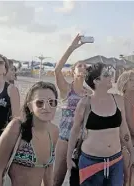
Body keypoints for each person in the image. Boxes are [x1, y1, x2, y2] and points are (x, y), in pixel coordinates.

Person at [67, 63, 134, 186]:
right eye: (106, 74)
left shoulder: (118, 100)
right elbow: (74, 131)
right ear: (96, 81)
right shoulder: (85, 103)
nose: (110, 76)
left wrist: (132, 153)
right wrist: (68, 157)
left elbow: (124, 129)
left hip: (116, 161)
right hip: (90, 162)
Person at [0, 81, 59, 186]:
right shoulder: (16, 128)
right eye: (40, 103)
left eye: (51, 102)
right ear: (30, 106)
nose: (46, 107)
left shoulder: (54, 131)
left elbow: (48, 173)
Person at [53, 34, 91, 186]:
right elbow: (57, 70)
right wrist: (72, 47)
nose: (83, 68)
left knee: (78, 180)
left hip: (83, 142)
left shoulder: (90, 93)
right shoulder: (66, 89)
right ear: (73, 71)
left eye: (85, 66)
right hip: (65, 138)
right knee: (57, 179)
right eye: (79, 66)